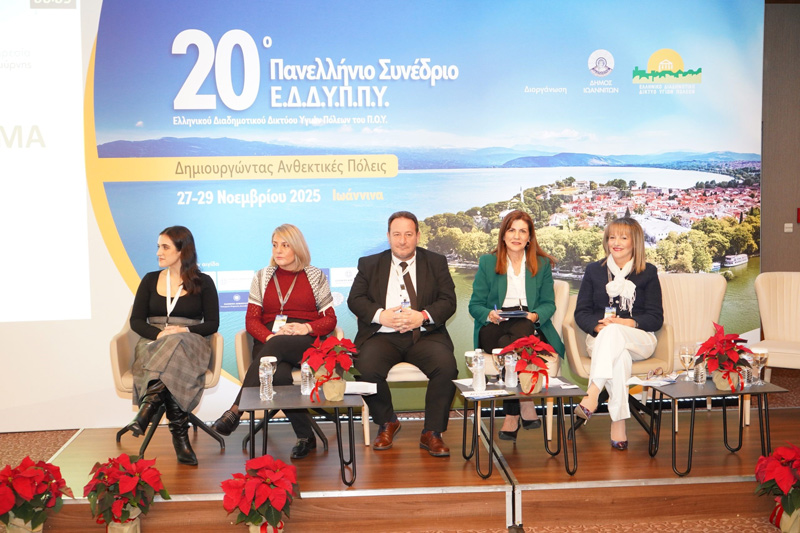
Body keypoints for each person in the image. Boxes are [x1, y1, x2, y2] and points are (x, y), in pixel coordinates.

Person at [211, 224, 336, 460]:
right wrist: (270, 337)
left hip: (303, 340)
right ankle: (305, 437)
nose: (278, 250)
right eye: (275, 245)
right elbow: (251, 320)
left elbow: (330, 319)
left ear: (297, 247)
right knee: (278, 375)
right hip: (269, 340)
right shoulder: (262, 276)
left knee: (276, 350)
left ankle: (236, 410)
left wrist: (306, 327)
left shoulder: (314, 275)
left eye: (285, 245)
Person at [348, 211, 458, 457]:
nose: (402, 240)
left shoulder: (436, 262)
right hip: (382, 336)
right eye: (397, 234)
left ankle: (432, 432)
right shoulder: (369, 264)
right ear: (388, 236)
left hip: (424, 335)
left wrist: (423, 316)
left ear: (418, 236)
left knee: (446, 367)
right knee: (365, 366)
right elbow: (355, 300)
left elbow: (448, 301)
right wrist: (380, 316)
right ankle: (387, 421)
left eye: (408, 234)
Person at [468, 210, 565, 442]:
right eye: (511, 230)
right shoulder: (488, 262)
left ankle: (511, 414)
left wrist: (534, 316)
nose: (516, 236)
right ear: (503, 235)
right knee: (507, 341)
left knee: (516, 336)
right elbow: (475, 305)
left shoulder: (541, 264)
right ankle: (525, 400)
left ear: (530, 237)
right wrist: (490, 314)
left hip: (526, 322)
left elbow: (548, 304)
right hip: (495, 324)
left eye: (523, 231)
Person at [128, 226, 219, 466]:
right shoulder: (149, 280)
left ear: (182, 251)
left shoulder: (204, 282)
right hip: (153, 342)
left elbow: (213, 323)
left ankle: (148, 407)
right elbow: (136, 321)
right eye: (158, 246)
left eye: (165, 247)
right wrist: (159, 334)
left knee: (176, 343)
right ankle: (180, 436)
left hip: (190, 342)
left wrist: (184, 331)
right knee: (171, 356)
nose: (158, 252)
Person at [573, 217, 663, 450]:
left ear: (635, 242)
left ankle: (593, 392)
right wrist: (597, 326)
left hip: (639, 339)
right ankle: (618, 423)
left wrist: (627, 323)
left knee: (616, 331)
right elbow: (581, 312)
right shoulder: (594, 270)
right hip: (601, 338)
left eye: (623, 237)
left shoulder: (648, 272)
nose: (616, 242)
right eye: (612, 237)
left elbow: (656, 317)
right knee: (619, 357)